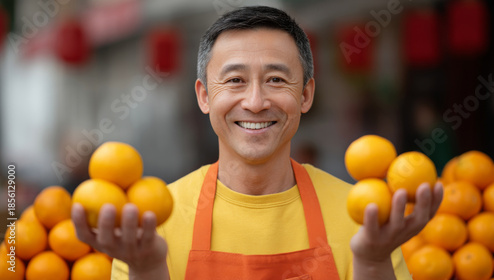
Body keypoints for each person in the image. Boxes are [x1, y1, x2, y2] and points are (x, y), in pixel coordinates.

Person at [72, 6, 443, 280]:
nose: (255, 101)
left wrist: (374, 262)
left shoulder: (365, 218)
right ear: (203, 96)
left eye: (277, 80)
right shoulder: (153, 223)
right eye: (234, 80)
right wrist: (149, 268)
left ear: (306, 95)